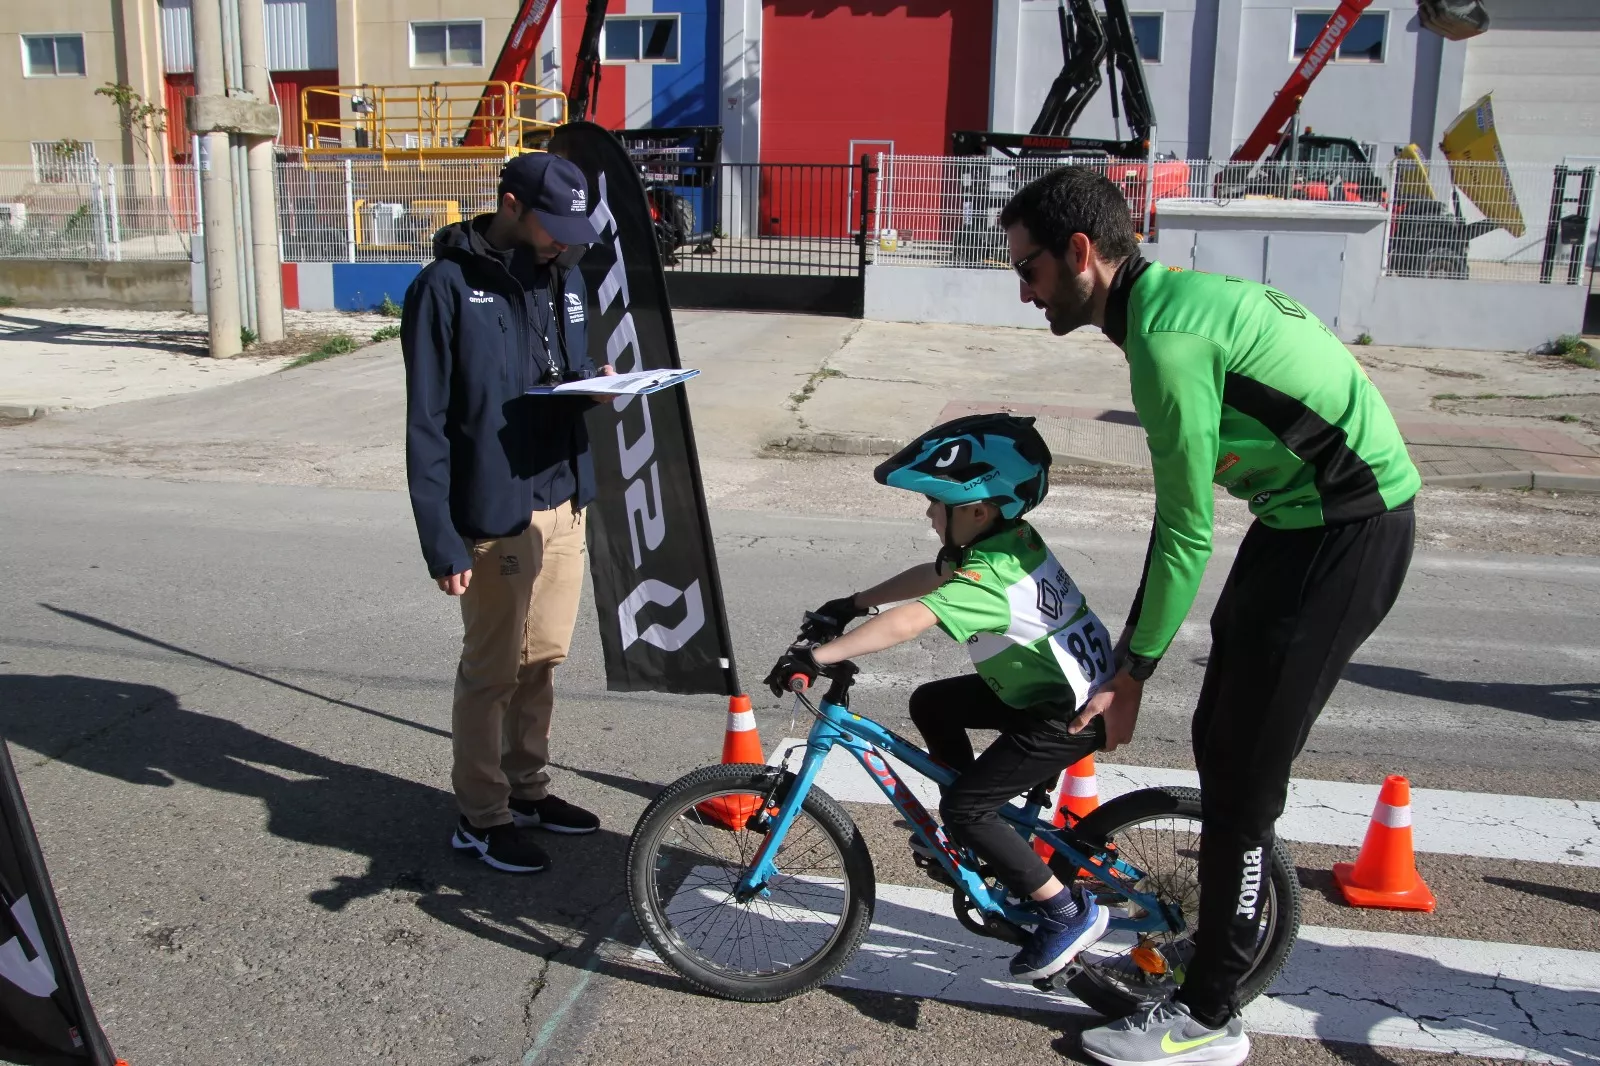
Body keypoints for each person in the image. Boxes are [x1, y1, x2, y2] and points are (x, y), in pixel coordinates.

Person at [999, 166, 1420, 1066]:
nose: (1023, 290)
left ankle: (1211, 1019)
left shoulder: (1165, 342)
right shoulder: (1178, 301)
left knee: (1241, 782)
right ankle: (1222, 932)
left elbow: (1184, 528)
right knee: (1221, 740)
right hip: (1298, 524)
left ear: (1082, 254)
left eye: (1028, 269)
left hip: (1344, 535)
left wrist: (1130, 668)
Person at [765, 413, 1116, 984]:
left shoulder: (991, 578)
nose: (928, 513)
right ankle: (976, 831)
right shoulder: (1006, 539)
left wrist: (818, 657)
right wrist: (852, 603)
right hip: (1048, 690)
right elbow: (929, 578)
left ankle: (1064, 912)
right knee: (934, 703)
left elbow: (912, 620)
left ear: (976, 510)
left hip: (1064, 716)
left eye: (936, 503)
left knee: (966, 807)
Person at [401, 152, 614, 875]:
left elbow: (559, 378)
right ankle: (481, 815)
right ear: (511, 205)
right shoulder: (445, 288)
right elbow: (426, 423)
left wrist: (599, 388)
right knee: (492, 670)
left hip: (562, 500)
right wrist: (442, 540)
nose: (564, 241)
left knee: (543, 661)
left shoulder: (566, 275)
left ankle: (527, 789)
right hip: (494, 512)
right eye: (552, 226)